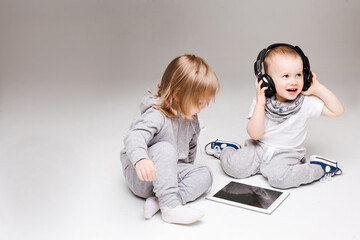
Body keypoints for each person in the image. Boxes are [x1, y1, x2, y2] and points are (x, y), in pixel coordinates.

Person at [205, 43, 344, 189]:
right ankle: (229, 150)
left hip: (287, 153)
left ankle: (320, 169)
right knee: (234, 167)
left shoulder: (305, 103)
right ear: (267, 81)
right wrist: (259, 105)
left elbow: (337, 110)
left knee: (280, 179)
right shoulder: (261, 101)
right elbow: (255, 134)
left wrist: (318, 88)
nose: (294, 81)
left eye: (299, 75)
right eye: (285, 76)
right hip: (259, 147)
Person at [120, 54, 220, 224]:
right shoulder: (157, 115)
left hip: (167, 176)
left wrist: (187, 171)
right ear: (178, 94)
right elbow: (134, 136)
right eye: (199, 102)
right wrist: (141, 159)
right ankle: (170, 208)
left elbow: (190, 150)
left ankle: (162, 200)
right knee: (165, 148)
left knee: (206, 174)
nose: (203, 108)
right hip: (143, 174)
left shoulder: (192, 119)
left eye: (205, 103)